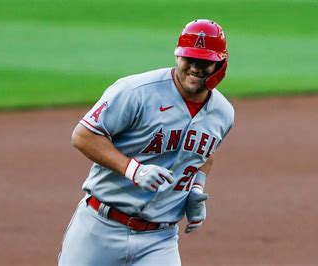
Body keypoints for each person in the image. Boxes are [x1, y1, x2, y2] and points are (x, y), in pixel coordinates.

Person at [58, 19, 234, 266]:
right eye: (188, 58)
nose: (195, 67)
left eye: (204, 61)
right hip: (99, 228)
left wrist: (196, 188)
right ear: (177, 56)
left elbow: (206, 151)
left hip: (159, 239)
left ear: (220, 63)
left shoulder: (223, 112)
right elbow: (84, 135)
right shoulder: (136, 91)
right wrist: (134, 170)